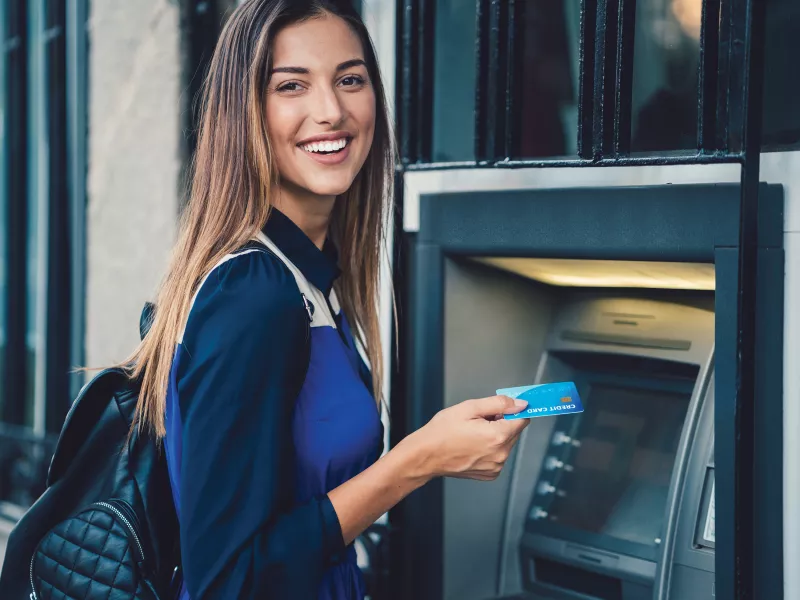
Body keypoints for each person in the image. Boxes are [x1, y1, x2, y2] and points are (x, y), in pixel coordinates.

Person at [123, 1, 530, 598]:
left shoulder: (307, 275)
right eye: (292, 85)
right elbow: (228, 582)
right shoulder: (255, 294)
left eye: (350, 79)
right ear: (244, 112)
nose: (332, 111)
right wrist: (416, 462)